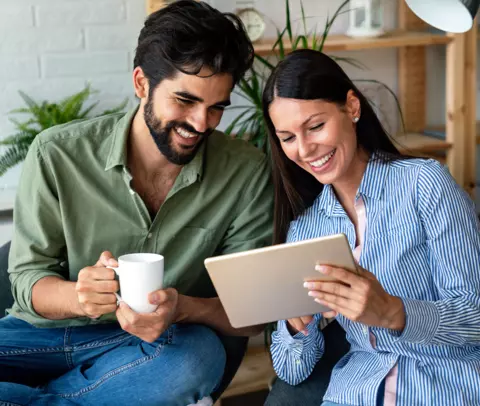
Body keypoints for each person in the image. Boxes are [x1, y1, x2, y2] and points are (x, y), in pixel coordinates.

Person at [0, 2, 273, 405]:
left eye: (216, 107)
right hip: (42, 337)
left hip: (159, 345)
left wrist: (181, 308)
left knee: (197, 359)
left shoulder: (245, 172)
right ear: (142, 83)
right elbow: (27, 281)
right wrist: (79, 295)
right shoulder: (57, 154)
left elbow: (252, 313)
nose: (201, 123)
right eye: (185, 100)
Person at [263, 49, 480, 406]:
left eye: (315, 126)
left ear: (351, 107)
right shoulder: (306, 230)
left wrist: (394, 312)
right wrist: (294, 325)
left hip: (447, 387)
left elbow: (474, 313)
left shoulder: (424, 184)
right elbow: (291, 371)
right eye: (287, 138)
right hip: (354, 393)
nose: (304, 149)